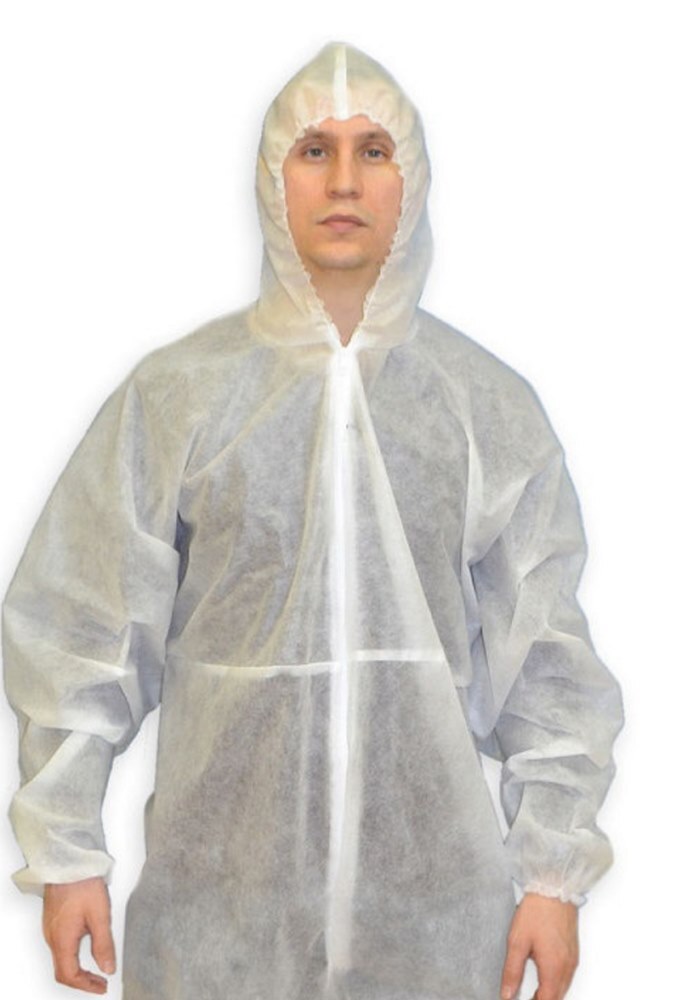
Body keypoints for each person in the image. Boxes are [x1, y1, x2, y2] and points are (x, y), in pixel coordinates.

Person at [3, 42, 623, 1000]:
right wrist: (67, 852)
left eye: (374, 151)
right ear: (272, 180)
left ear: (411, 181)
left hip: (432, 929)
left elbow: (543, 657)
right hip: (216, 926)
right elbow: (84, 630)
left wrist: (553, 876)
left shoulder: (482, 408)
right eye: (314, 151)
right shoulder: (178, 396)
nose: (343, 182)